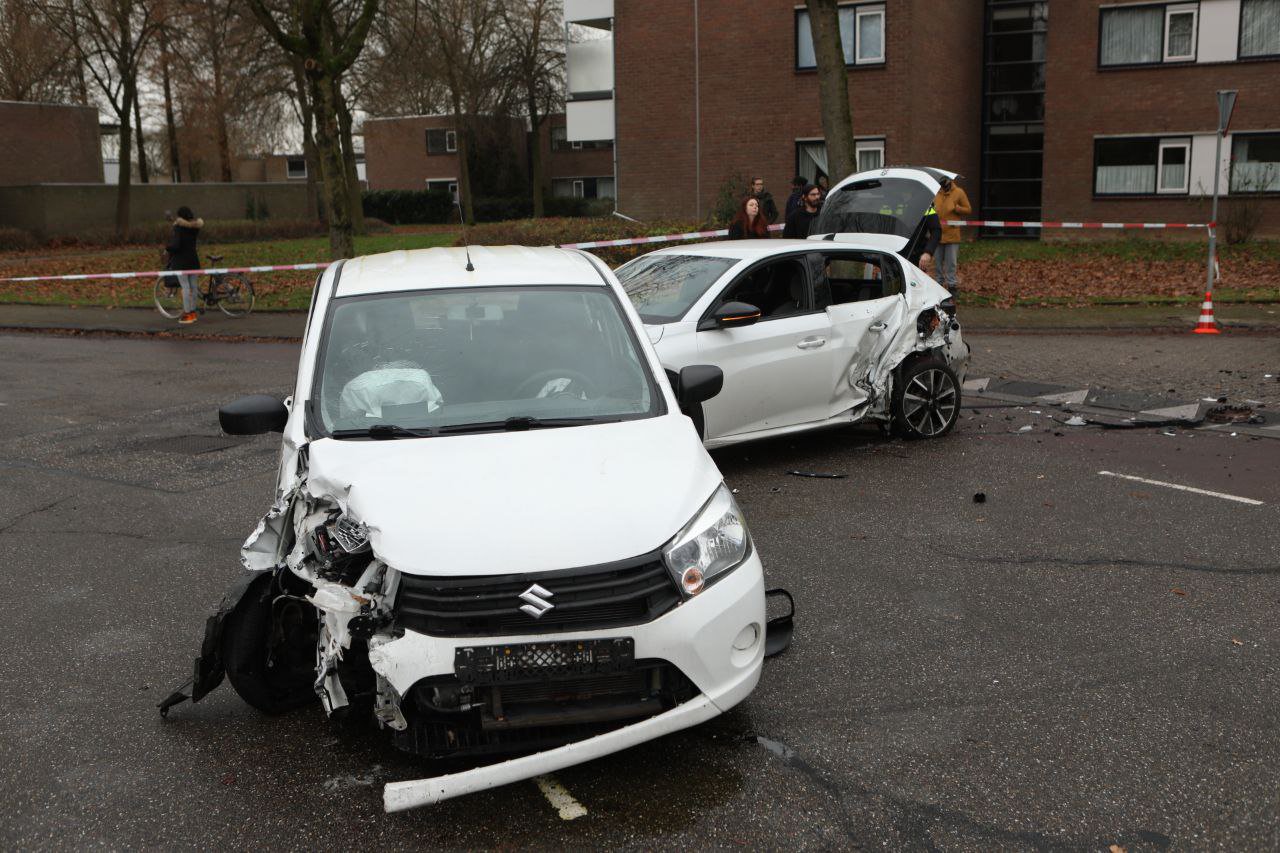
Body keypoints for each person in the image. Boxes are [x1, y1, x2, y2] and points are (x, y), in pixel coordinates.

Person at [931, 176, 972, 294]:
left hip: (952, 234)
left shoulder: (959, 192)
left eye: (944, 182)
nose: (942, 185)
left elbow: (968, 209)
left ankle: (952, 286)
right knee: (937, 262)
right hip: (937, 233)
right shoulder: (934, 192)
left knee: (951, 263)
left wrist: (958, 208)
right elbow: (930, 209)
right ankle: (938, 285)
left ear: (949, 181)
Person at [165, 206, 204, 325]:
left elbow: (176, 245)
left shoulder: (179, 228)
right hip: (193, 260)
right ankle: (193, 313)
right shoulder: (195, 228)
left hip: (181, 262)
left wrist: (167, 248)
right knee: (194, 286)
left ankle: (187, 315)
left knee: (185, 287)